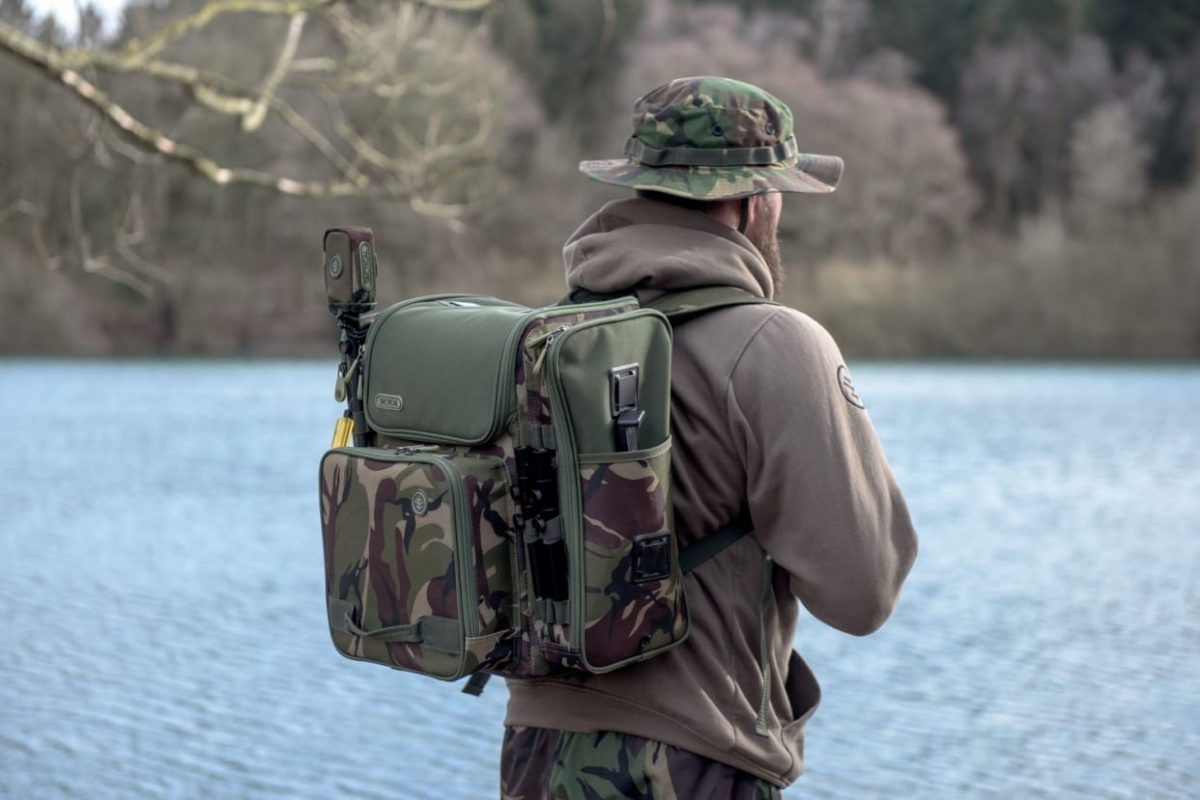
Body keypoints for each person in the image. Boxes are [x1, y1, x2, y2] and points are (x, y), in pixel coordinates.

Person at [501, 76, 918, 800]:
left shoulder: (544, 340)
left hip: (535, 754)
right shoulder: (774, 344)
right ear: (752, 202)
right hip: (693, 760)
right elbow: (863, 593)